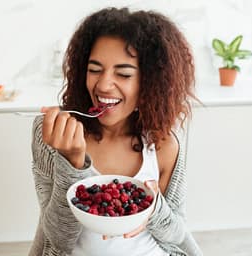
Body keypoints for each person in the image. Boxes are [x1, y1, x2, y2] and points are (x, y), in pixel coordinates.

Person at [29, 7, 203, 256]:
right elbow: (57, 238)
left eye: (123, 74)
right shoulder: (53, 135)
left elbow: (177, 234)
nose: (103, 84)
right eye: (95, 69)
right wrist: (73, 163)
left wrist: (154, 209)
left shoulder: (163, 144)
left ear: (150, 82)